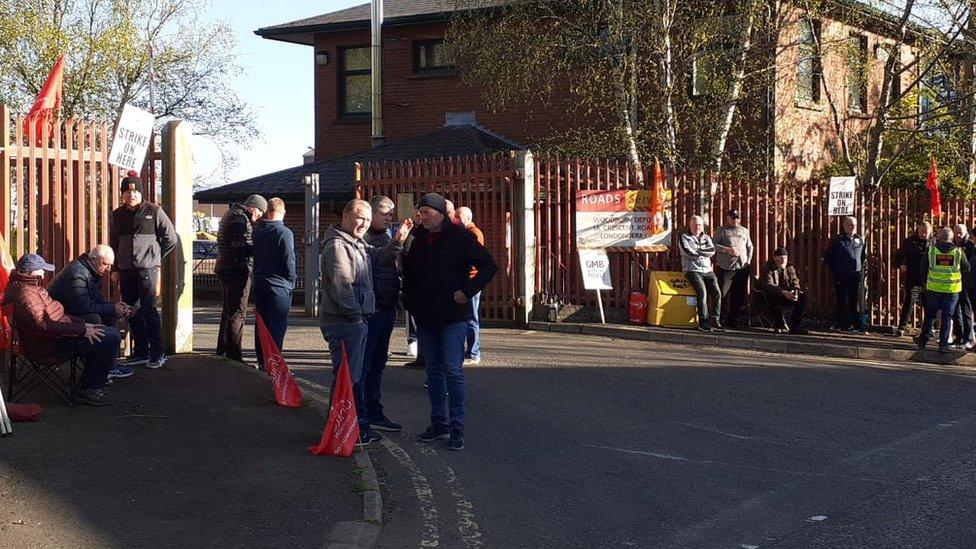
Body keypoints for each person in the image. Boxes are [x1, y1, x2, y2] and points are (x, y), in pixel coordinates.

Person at [403, 193, 497, 452]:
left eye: (427, 212)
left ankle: (457, 427)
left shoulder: (460, 237)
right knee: (432, 371)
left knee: (452, 371)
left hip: (453, 316)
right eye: (420, 212)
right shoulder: (417, 238)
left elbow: (489, 265)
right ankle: (438, 423)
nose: (423, 217)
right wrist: (410, 302)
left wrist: (467, 291)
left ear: (441, 214)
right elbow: (408, 271)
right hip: (425, 316)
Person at [319, 199, 410, 446]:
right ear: (346, 215)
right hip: (346, 322)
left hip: (355, 320)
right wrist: (357, 318)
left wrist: (397, 240)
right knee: (349, 378)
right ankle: (349, 428)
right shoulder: (338, 245)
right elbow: (342, 287)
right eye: (361, 218)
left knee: (351, 376)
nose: (364, 224)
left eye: (368, 220)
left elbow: (380, 258)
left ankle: (347, 427)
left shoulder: (355, 242)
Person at [2, 253, 122, 406]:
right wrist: (81, 330)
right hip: (50, 346)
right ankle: (89, 388)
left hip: (54, 337)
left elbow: (48, 321)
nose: (44, 272)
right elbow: (44, 325)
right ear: (30, 271)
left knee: (102, 330)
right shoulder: (27, 294)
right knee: (110, 338)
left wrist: (82, 325)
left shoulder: (28, 287)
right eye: (41, 269)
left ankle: (90, 381)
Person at [110, 174, 177, 369]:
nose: (131, 194)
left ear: (141, 193)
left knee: (149, 310)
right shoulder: (117, 214)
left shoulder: (154, 211)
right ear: (122, 194)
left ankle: (158, 353)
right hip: (125, 270)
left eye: (135, 191)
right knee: (132, 311)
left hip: (147, 269)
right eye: (127, 191)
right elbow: (114, 243)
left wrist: (155, 258)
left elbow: (170, 238)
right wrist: (115, 268)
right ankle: (141, 352)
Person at [47, 244, 133, 379]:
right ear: (94, 259)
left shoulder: (90, 271)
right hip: (61, 317)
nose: (108, 269)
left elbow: (96, 300)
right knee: (94, 319)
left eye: (110, 265)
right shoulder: (77, 274)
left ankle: (109, 366)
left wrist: (115, 307)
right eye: (105, 264)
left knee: (109, 315)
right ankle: (95, 371)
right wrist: (111, 308)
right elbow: (81, 307)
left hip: (70, 312)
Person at [362, 196, 405, 432]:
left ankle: (373, 409)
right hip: (375, 309)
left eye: (391, 214)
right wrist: (397, 242)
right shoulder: (368, 238)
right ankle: (367, 412)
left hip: (386, 306)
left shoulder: (384, 236)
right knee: (369, 363)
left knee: (378, 362)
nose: (389, 218)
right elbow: (382, 260)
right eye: (384, 214)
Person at [215, 194, 266, 362]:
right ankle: (234, 355)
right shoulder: (240, 218)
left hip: (225, 267)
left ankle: (222, 351)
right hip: (235, 271)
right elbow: (239, 246)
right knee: (238, 312)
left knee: (227, 311)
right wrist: (255, 251)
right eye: (259, 212)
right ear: (253, 207)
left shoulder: (231, 214)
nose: (259, 216)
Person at [252, 198, 296, 368]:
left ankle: (262, 362)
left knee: (261, 325)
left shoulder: (257, 231)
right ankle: (274, 365)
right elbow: (289, 259)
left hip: (261, 282)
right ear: (283, 212)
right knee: (277, 327)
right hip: (279, 286)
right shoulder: (284, 232)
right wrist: (291, 282)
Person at [917, 226, 970, 353]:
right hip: (952, 290)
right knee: (947, 317)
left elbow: (922, 269)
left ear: (939, 238)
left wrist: (925, 283)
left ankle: (923, 341)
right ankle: (943, 344)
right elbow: (967, 268)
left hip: (933, 289)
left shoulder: (931, 251)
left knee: (930, 315)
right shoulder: (958, 252)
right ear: (951, 238)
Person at [679, 215, 723, 332]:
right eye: (695, 225)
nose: (697, 227)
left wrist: (698, 251)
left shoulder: (707, 238)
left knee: (717, 293)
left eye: (700, 225)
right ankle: (703, 323)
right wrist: (702, 252)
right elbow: (687, 252)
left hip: (708, 270)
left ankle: (716, 321)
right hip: (692, 270)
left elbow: (712, 251)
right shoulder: (684, 237)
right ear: (690, 225)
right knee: (702, 293)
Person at [824, 216, 866, 334]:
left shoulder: (859, 239)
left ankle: (855, 325)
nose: (853, 227)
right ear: (844, 226)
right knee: (841, 300)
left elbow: (862, 256)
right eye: (850, 225)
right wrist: (837, 269)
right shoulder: (838, 239)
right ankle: (842, 324)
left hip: (855, 275)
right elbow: (829, 257)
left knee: (854, 300)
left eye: (854, 225)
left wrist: (858, 267)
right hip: (841, 275)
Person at [713, 209, 754, 329]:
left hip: (741, 267)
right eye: (733, 218)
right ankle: (718, 319)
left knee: (738, 295)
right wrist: (726, 249)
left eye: (737, 218)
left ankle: (733, 320)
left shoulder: (744, 231)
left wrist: (748, 260)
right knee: (722, 294)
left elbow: (750, 246)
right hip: (726, 267)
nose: (735, 220)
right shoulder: (721, 230)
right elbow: (713, 245)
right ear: (728, 218)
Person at [457, 206, 486, 365]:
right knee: (468, 316)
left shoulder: (473, 233)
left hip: (471, 280)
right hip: (468, 279)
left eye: (458, 216)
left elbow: (470, 258)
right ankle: (470, 351)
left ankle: (473, 353)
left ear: (467, 218)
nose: (455, 219)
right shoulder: (466, 232)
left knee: (471, 317)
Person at [758, 247, 808, 334]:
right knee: (773, 297)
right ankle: (778, 325)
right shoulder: (767, 268)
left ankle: (795, 326)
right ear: (774, 258)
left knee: (802, 297)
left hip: (787, 295)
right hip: (771, 296)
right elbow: (769, 285)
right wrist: (784, 292)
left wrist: (795, 292)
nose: (783, 260)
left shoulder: (790, 267)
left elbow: (795, 281)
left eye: (785, 258)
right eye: (780, 258)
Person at [894, 221, 932, 337]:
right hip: (913, 278)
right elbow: (899, 255)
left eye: (926, 233)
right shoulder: (910, 241)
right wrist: (901, 265)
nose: (924, 235)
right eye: (922, 232)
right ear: (918, 230)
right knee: (908, 303)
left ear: (930, 232)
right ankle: (902, 327)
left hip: (929, 280)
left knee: (929, 306)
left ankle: (928, 330)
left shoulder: (933, 243)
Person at [952, 223, 976, 349]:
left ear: (966, 232)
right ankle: (959, 336)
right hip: (954, 283)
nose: (958, 235)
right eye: (956, 232)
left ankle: (968, 338)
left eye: (961, 232)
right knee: (956, 311)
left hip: (966, 284)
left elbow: (969, 267)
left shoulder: (970, 246)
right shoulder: (952, 244)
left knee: (966, 311)